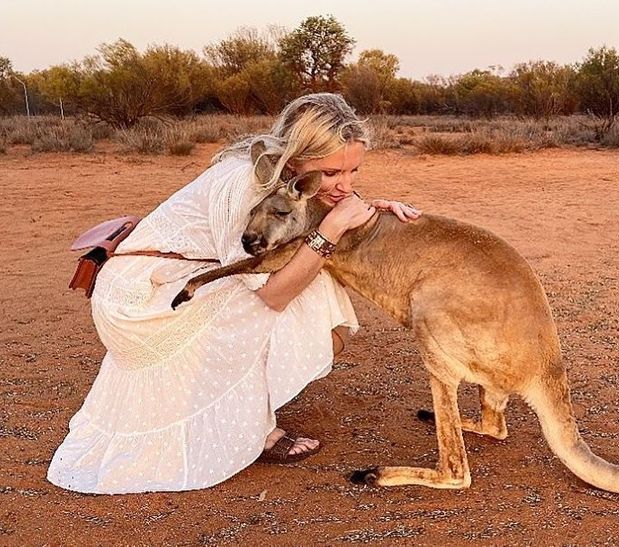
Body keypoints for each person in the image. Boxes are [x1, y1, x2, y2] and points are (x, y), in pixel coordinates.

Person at [47, 93, 421, 494]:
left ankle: (250, 408)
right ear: (296, 158)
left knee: (314, 283)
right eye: (331, 174)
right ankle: (259, 429)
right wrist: (332, 228)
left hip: (178, 276)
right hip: (139, 297)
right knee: (294, 294)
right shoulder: (246, 182)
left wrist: (368, 213)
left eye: (353, 172)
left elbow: (304, 224)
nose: (344, 185)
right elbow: (273, 293)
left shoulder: (286, 178)